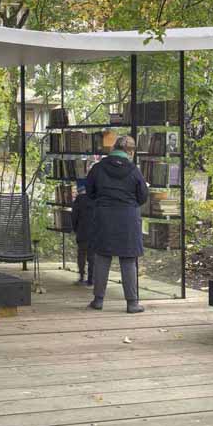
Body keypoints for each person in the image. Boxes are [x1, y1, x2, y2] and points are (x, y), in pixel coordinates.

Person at [85, 134, 149, 313]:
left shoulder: (98, 168)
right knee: (128, 259)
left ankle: (98, 300)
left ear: (114, 148)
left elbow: (89, 191)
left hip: (104, 216)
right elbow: (143, 195)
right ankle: (132, 303)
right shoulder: (134, 170)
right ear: (129, 151)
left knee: (102, 257)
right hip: (128, 218)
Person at [71, 183, 95, 286]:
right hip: (95, 232)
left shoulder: (79, 199)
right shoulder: (97, 199)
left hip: (82, 230)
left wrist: (75, 228)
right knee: (92, 256)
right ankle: (91, 279)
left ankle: (81, 277)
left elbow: (74, 216)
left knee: (81, 254)